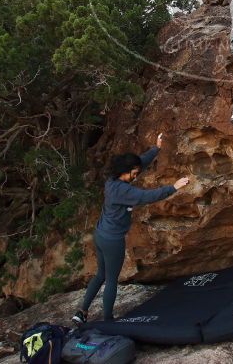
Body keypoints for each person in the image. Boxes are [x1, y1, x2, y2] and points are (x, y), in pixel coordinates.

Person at [72, 133, 190, 324]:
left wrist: (156, 148)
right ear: (126, 171)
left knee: (101, 273)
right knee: (111, 280)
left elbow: (140, 163)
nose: (136, 175)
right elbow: (147, 197)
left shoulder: (113, 180)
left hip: (100, 235)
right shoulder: (123, 191)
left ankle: (81, 312)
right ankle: (108, 320)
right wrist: (173, 187)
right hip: (112, 241)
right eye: (134, 173)